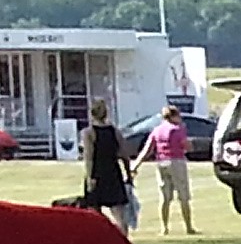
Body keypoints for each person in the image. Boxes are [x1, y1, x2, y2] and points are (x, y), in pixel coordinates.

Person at [140, 100, 197, 236]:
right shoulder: (177, 129)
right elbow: (187, 146)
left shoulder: (157, 130)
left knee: (164, 197)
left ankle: (164, 228)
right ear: (173, 116)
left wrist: (136, 164)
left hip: (161, 162)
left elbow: (147, 149)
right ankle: (188, 227)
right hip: (176, 161)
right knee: (183, 195)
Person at [80, 101, 131, 232]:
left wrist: (90, 177)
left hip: (97, 174)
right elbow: (125, 155)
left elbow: (89, 157)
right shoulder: (115, 132)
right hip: (113, 172)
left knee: (94, 212)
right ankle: (123, 241)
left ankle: (102, 235)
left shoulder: (89, 133)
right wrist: (128, 174)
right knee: (119, 214)